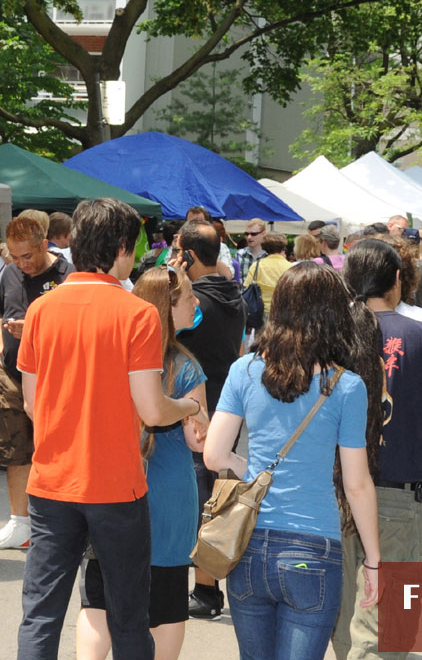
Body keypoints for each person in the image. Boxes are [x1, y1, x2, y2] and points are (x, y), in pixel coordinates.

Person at [15, 197, 209, 660]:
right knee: (127, 615)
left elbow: (31, 402)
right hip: (116, 487)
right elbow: (151, 409)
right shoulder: (136, 314)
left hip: (51, 482)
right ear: (123, 248)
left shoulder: (43, 308)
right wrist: (187, 406)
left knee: (41, 613)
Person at [205, 263, 380, 660]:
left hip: (247, 546)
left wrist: (248, 467)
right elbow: (357, 484)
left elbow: (213, 454)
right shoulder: (347, 387)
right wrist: (373, 560)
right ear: (334, 315)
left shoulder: (243, 370)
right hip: (313, 550)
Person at [333, 239, 422, 660]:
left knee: (345, 611)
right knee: (385, 623)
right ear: (397, 281)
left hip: (332, 488)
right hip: (397, 494)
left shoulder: (332, 333)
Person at [77, 267, 207, 660]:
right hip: (167, 500)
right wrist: (197, 410)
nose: (196, 303)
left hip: (110, 489)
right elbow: (198, 441)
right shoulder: (185, 368)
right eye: (188, 298)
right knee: (165, 606)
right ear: (167, 308)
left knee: (98, 602)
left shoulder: (112, 355)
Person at [0, 214, 73, 550]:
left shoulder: (67, 276)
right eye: (15, 257)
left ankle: (58, 523)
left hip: (53, 375)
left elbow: (74, 331)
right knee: (12, 448)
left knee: (54, 450)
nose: (21, 264)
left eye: (27, 256)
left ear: (44, 244)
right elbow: (1, 311)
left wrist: (35, 332)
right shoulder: (10, 272)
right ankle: (19, 523)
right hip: (11, 370)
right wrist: (2, 347)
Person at [172, 220, 246, 620]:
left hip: (198, 407)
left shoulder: (196, 301)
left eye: (177, 248)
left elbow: (174, 335)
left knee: (204, 501)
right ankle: (209, 585)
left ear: (190, 255)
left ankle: (206, 589)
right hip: (226, 403)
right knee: (218, 496)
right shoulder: (233, 293)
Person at [243, 232, 291, 328]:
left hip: (261, 312)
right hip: (283, 311)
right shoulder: (290, 267)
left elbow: (246, 286)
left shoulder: (257, 265)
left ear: (264, 247)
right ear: (283, 247)